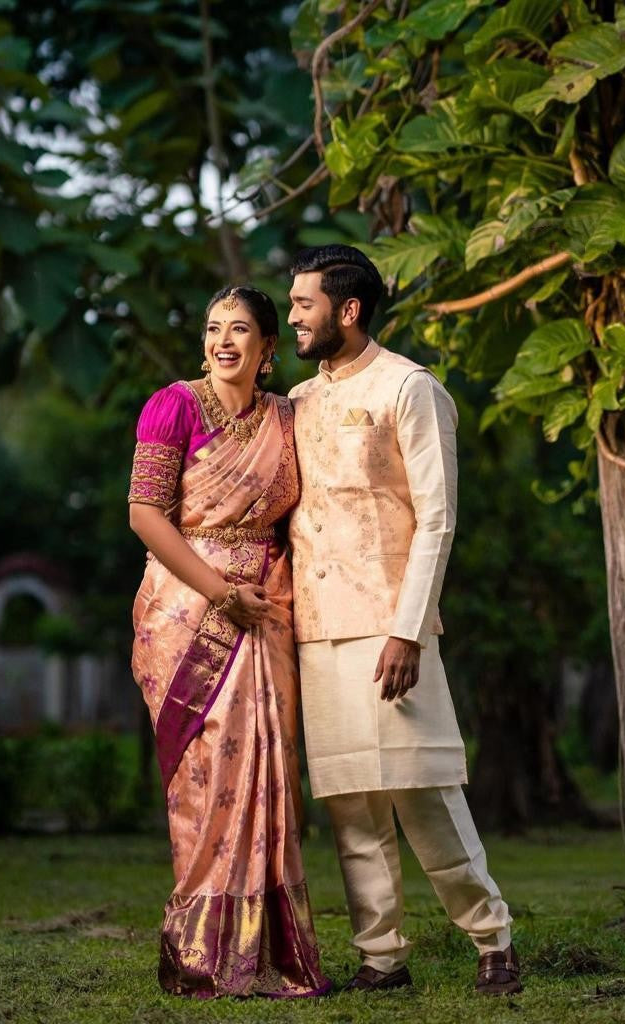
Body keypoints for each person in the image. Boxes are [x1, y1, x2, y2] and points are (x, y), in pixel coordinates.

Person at [286, 245, 522, 996]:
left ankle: (492, 939)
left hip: (390, 624)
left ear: (347, 311)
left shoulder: (409, 388)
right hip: (317, 625)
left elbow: (438, 519)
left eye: (303, 305)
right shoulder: (298, 399)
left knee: (424, 790)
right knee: (350, 802)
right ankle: (381, 957)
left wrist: (409, 628)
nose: (292, 316)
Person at [128, 286, 329, 1000]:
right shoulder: (173, 405)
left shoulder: (289, 416)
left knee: (269, 778)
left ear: (269, 347)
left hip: (267, 610)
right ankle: (199, 955)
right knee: (205, 780)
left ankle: (268, 954)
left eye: (240, 329)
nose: (223, 341)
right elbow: (146, 515)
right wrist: (220, 594)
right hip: (188, 612)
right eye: (214, 327)